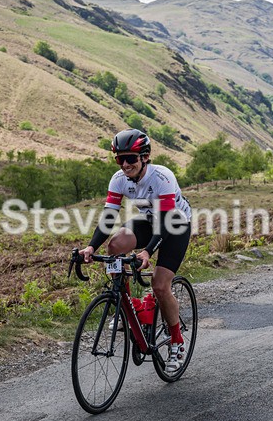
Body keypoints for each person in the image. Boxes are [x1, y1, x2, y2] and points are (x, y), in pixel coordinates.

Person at [78, 129, 192, 373]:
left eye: (130, 158)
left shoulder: (162, 177)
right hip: (149, 220)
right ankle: (126, 306)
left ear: (145, 157)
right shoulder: (118, 179)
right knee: (114, 246)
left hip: (175, 224)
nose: (125, 164)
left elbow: (166, 223)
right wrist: (90, 247)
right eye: (120, 159)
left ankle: (176, 342)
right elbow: (109, 217)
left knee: (160, 285)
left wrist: (147, 252)